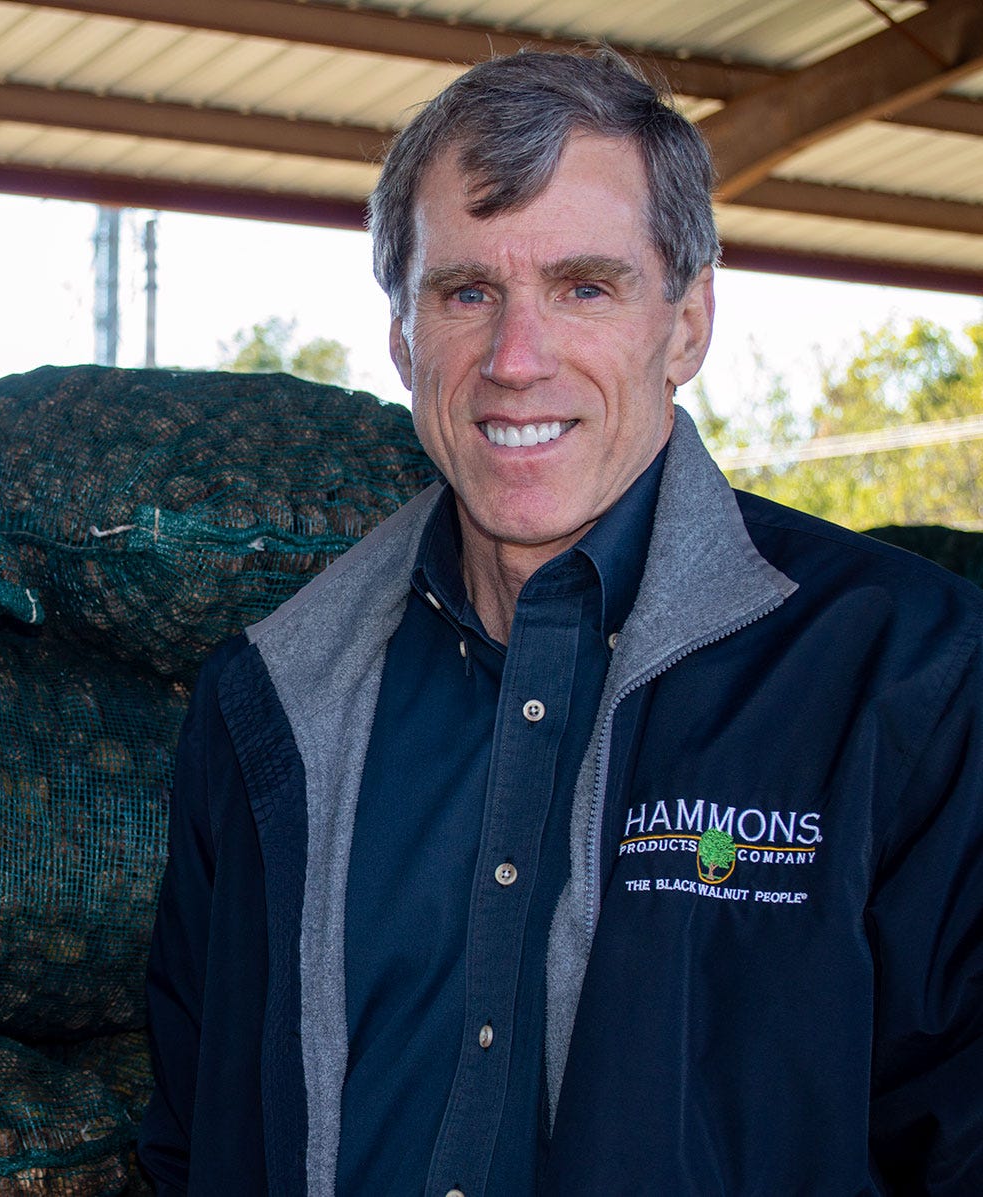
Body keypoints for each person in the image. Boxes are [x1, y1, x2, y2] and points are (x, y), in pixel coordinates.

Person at [139, 47, 983, 1197]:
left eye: (586, 287)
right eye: (467, 292)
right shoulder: (267, 706)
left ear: (686, 326)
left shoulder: (908, 675)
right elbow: (194, 1133)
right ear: (402, 337)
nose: (515, 360)